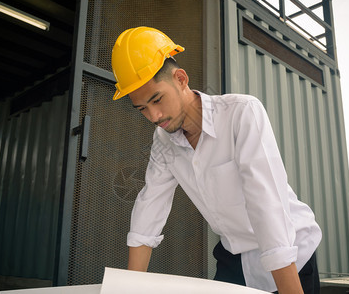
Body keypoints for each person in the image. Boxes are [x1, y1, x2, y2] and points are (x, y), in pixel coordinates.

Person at [111, 26, 322, 294]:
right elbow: (148, 208)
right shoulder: (163, 141)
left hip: (290, 251)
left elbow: (266, 204)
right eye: (142, 109)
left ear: (181, 79)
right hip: (235, 255)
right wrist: (130, 287)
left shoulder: (241, 113)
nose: (154, 116)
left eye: (157, 100)